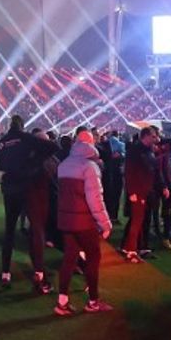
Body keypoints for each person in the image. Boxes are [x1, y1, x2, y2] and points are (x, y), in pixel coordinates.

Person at [52, 130, 114, 316]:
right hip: (84, 221)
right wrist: (105, 223)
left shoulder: (63, 165)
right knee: (93, 258)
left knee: (69, 260)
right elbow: (95, 199)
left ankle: (62, 302)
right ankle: (93, 301)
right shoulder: (89, 167)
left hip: (66, 221)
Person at [0, 115, 57, 291]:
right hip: (26, 187)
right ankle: (39, 273)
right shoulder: (25, 138)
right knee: (36, 230)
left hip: (9, 189)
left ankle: (5, 273)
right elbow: (53, 147)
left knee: (9, 230)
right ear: (22, 126)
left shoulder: (2, 141)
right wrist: (34, 162)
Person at [120, 126, 166, 262]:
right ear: (145, 136)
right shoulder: (135, 151)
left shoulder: (148, 150)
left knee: (139, 221)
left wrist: (162, 186)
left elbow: (154, 170)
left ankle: (130, 248)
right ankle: (131, 251)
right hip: (138, 191)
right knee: (137, 222)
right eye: (152, 136)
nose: (155, 138)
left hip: (146, 190)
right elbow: (129, 172)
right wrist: (132, 191)